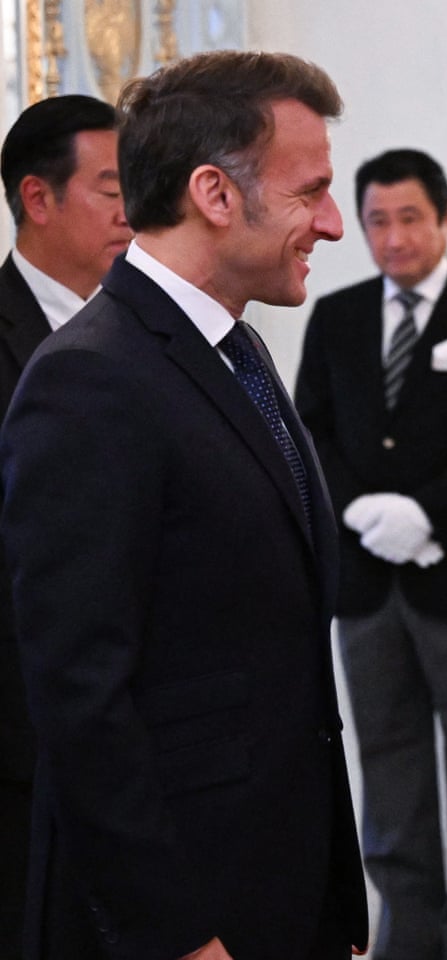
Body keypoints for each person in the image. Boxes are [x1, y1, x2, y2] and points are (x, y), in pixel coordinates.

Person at [0, 51, 368, 960]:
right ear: (214, 193)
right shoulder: (91, 377)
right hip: (179, 916)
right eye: (311, 192)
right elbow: (81, 696)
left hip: (274, 887)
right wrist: (177, 936)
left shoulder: (235, 350)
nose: (332, 225)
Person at [295, 148, 447, 960]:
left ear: (445, 219)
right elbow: (311, 429)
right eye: (375, 222)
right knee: (389, 780)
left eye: (408, 219)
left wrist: (425, 513)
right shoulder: (335, 317)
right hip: (365, 587)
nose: (392, 239)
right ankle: (407, 942)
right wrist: (362, 509)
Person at [0, 93, 131, 955]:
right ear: (38, 199)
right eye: (112, 188)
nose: (134, 211)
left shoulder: (143, 333)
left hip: (126, 725)